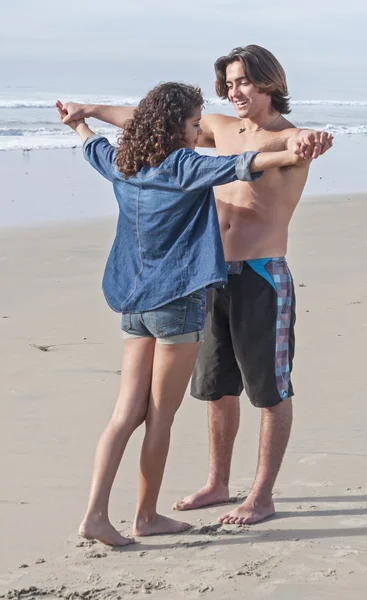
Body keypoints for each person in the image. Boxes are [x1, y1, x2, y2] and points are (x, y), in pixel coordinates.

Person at [57, 80, 309, 546]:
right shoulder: (183, 165)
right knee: (159, 415)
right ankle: (146, 516)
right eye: (195, 123)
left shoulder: (122, 163)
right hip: (178, 303)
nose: (199, 131)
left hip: (133, 303)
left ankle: (94, 513)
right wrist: (292, 154)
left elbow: (92, 145)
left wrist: (79, 122)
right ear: (175, 127)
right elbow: (245, 164)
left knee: (123, 414)